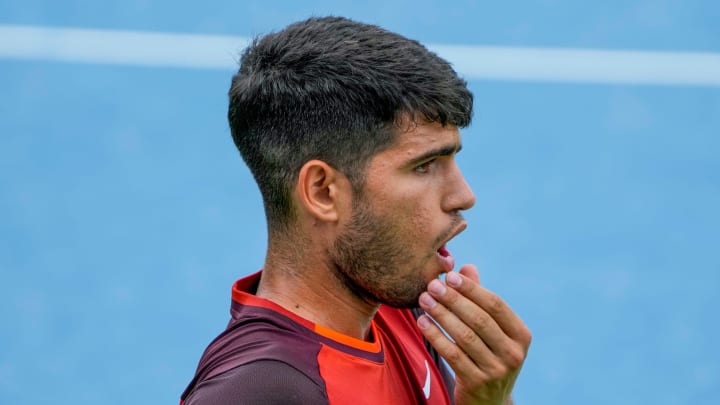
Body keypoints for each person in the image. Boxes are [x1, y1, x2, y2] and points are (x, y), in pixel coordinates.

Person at [181, 16, 531, 405]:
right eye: (424, 166)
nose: (463, 196)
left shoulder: (400, 313)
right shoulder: (263, 392)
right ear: (324, 192)